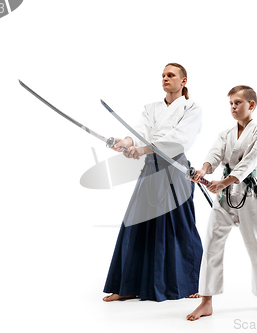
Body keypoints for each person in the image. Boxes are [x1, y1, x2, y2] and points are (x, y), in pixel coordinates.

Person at [102, 63, 203, 302]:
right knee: (135, 225)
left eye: (171, 75)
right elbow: (139, 130)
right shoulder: (151, 108)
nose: (165, 78)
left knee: (180, 226)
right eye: (163, 75)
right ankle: (127, 285)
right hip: (150, 169)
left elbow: (178, 140)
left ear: (183, 81)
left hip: (174, 170)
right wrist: (126, 142)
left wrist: (143, 149)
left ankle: (187, 283)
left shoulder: (192, 107)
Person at [186, 85, 257, 320]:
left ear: (251, 105)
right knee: (212, 245)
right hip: (224, 199)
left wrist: (224, 182)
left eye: (237, 103)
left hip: (248, 194)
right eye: (230, 103)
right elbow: (214, 156)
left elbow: (248, 163)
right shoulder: (225, 135)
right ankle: (206, 300)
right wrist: (203, 171)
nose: (233, 107)